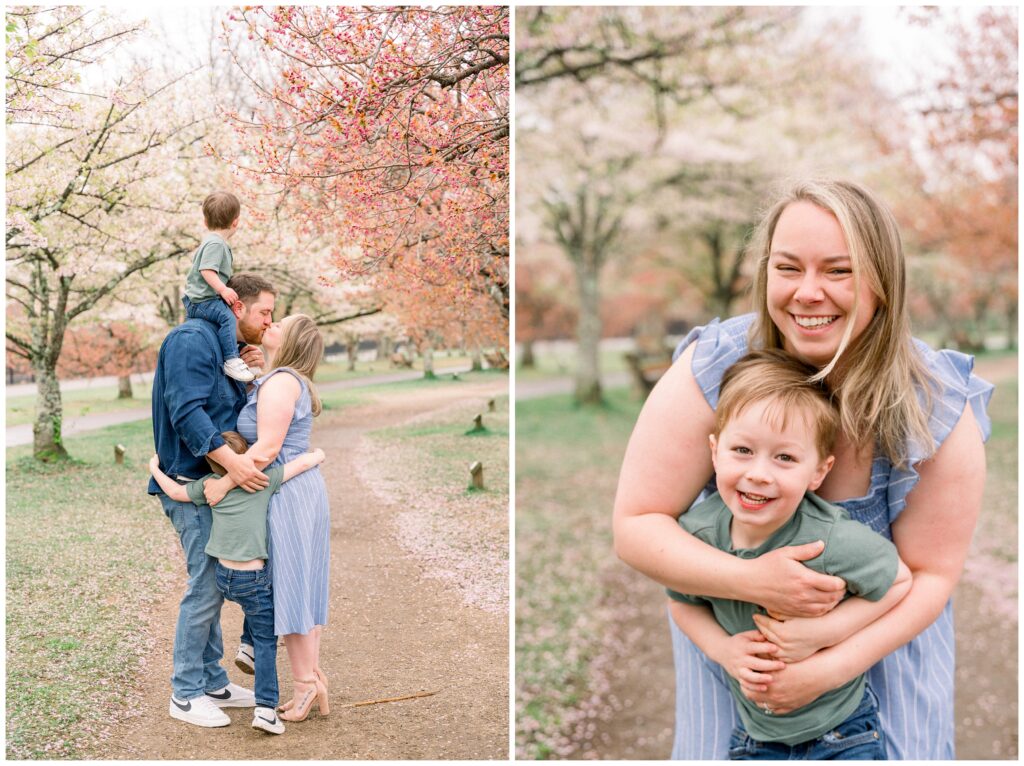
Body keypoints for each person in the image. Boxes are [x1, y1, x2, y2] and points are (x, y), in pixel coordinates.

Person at [612, 179, 993, 759]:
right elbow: (637, 524)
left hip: (881, 675)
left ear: (882, 283)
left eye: (838, 271)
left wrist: (828, 661)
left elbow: (930, 577)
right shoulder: (715, 367)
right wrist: (751, 581)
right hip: (741, 679)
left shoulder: (935, 403)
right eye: (788, 268)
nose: (807, 293)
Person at [667, 349, 912, 760]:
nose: (759, 473)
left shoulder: (827, 539)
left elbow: (900, 581)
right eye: (742, 450)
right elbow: (682, 602)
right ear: (714, 451)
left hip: (844, 732)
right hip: (756, 736)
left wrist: (827, 632)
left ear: (818, 471)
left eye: (785, 458)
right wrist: (723, 651)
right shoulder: (699, 535)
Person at [150, 272, 276, 728]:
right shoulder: (191, 339)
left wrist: (250, 376)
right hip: (192, 482)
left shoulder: (225, 351)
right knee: (205, 584)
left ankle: (212, 681)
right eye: (264, 312)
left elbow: (227, 414)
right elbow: (187, 412)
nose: (268, 321)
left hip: (215, 486)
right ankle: (185, 693)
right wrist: (236, 465)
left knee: (215, 583)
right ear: (237, 307)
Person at [149, 432, 326, 735]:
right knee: (266, 631)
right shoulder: (261, 480)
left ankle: (246, 645)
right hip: (251, 580)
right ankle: (266, 709)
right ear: (247, 457)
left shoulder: (209, 486)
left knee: (255, 604)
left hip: (224, 578)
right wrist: (319, 454)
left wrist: (154, 469)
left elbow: (175, 493)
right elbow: (304, 463)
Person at [203, 314, 331, 722]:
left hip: (286, 491)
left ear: (291, 338)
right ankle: (311, 681)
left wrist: (224, 484)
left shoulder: (281, 382)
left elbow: (267, 449)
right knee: (304, 588)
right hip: (300, 487)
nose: (271, 323)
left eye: (281, 323)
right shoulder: (284, 379)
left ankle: (306, 687)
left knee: (291, 590)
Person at [183, 191, 256, 383]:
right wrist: (223, 290)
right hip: (202, 301)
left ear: (205, 222)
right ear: (236, 222)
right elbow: (206, 270)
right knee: (227, 317)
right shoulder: (216, 243)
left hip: (199, 300)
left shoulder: (213, 241)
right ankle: (232, 359)